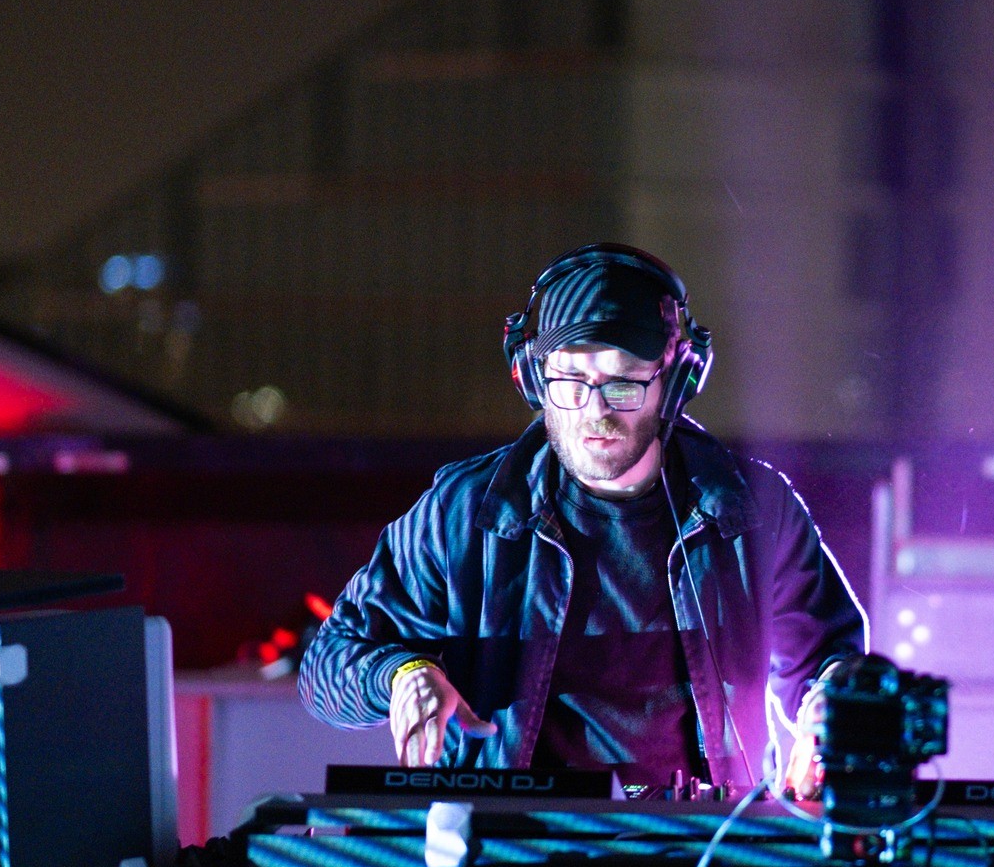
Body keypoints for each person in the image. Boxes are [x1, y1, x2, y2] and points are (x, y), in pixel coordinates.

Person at [299, 244, 864, 795]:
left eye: (623, 384)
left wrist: (832, 705)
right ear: (533, 379)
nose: (594, 410)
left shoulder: (754, 512)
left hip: (702, 855)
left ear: (675, 383)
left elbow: (827, 661)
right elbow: (326, 668)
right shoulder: (465, 513)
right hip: (508, 856)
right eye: (570, 382)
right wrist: (401, 674)